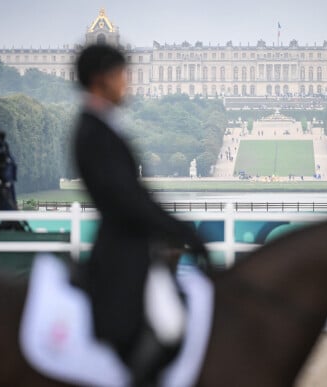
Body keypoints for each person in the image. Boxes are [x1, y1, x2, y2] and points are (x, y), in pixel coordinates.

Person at [73, 44, 207, 383]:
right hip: (124, 253)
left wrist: (175, 227)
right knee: (171, 327)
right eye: (121, 74)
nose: (127, 83)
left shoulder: (101, 126)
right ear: (99, 80)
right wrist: (182, 230)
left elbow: (134, 195)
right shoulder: (95, 130)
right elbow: (127, 200)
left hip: (131, 246)